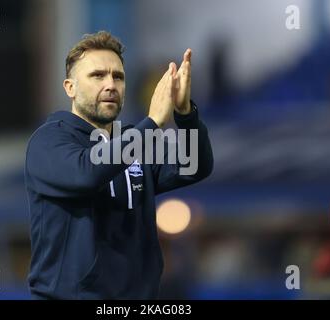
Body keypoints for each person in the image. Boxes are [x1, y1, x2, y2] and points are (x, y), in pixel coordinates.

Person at [25, 31, 213, 299]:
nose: (111, 84)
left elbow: (195, 166)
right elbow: (86, 174)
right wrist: (151, 125)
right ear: (70, 87)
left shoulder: (130, 141)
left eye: (118, 76)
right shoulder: (49, 140)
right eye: (97, 75)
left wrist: (185, 115)